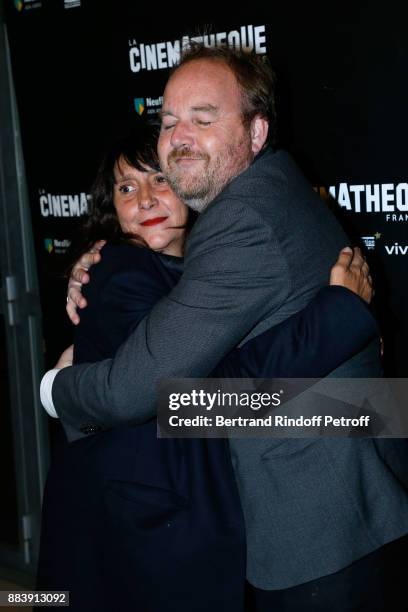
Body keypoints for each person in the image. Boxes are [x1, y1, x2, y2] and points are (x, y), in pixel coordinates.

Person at [41, 45, 408, 610]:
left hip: (316, 518)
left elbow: (196, 398)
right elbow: (178, 399)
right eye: (168, 121)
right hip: (178, 526)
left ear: (256, 134)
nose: (179, 136)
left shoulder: (236, 223)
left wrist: (56, 391)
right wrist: (339, 322)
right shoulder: (136, 264)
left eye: (203, 119)